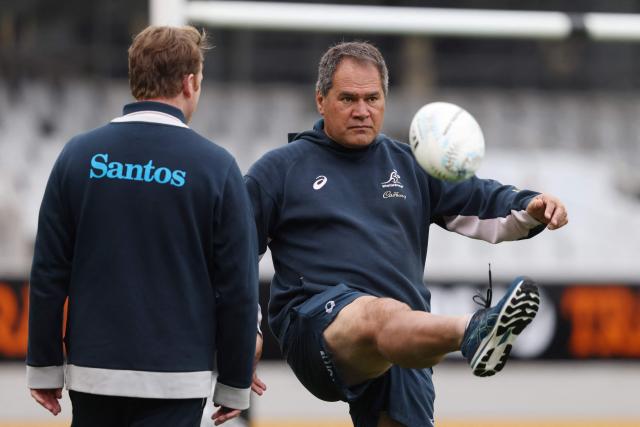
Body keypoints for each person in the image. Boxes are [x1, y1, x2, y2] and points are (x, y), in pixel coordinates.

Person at [245, 41, 568, 427]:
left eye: (372, 98)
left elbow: (481, 199)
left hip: (403, 338)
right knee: (377, 313)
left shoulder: (410, 165)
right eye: (348, 98)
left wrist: (531, 205)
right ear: (320, 100)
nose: (362, 111)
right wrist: (244, 332)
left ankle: (458, 333)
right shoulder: (280, 170)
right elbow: (236, 251)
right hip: (316, 326)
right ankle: (474, 329)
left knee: (394, 322)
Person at [27, 25, 264, 427]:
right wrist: (235, 382)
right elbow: (238, 287)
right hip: (177, 379)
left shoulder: (77, 156)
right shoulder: (216, 166)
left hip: (93, 374)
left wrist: (45, 366)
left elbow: (49, 272)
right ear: (190, 82)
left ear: (136, 78)